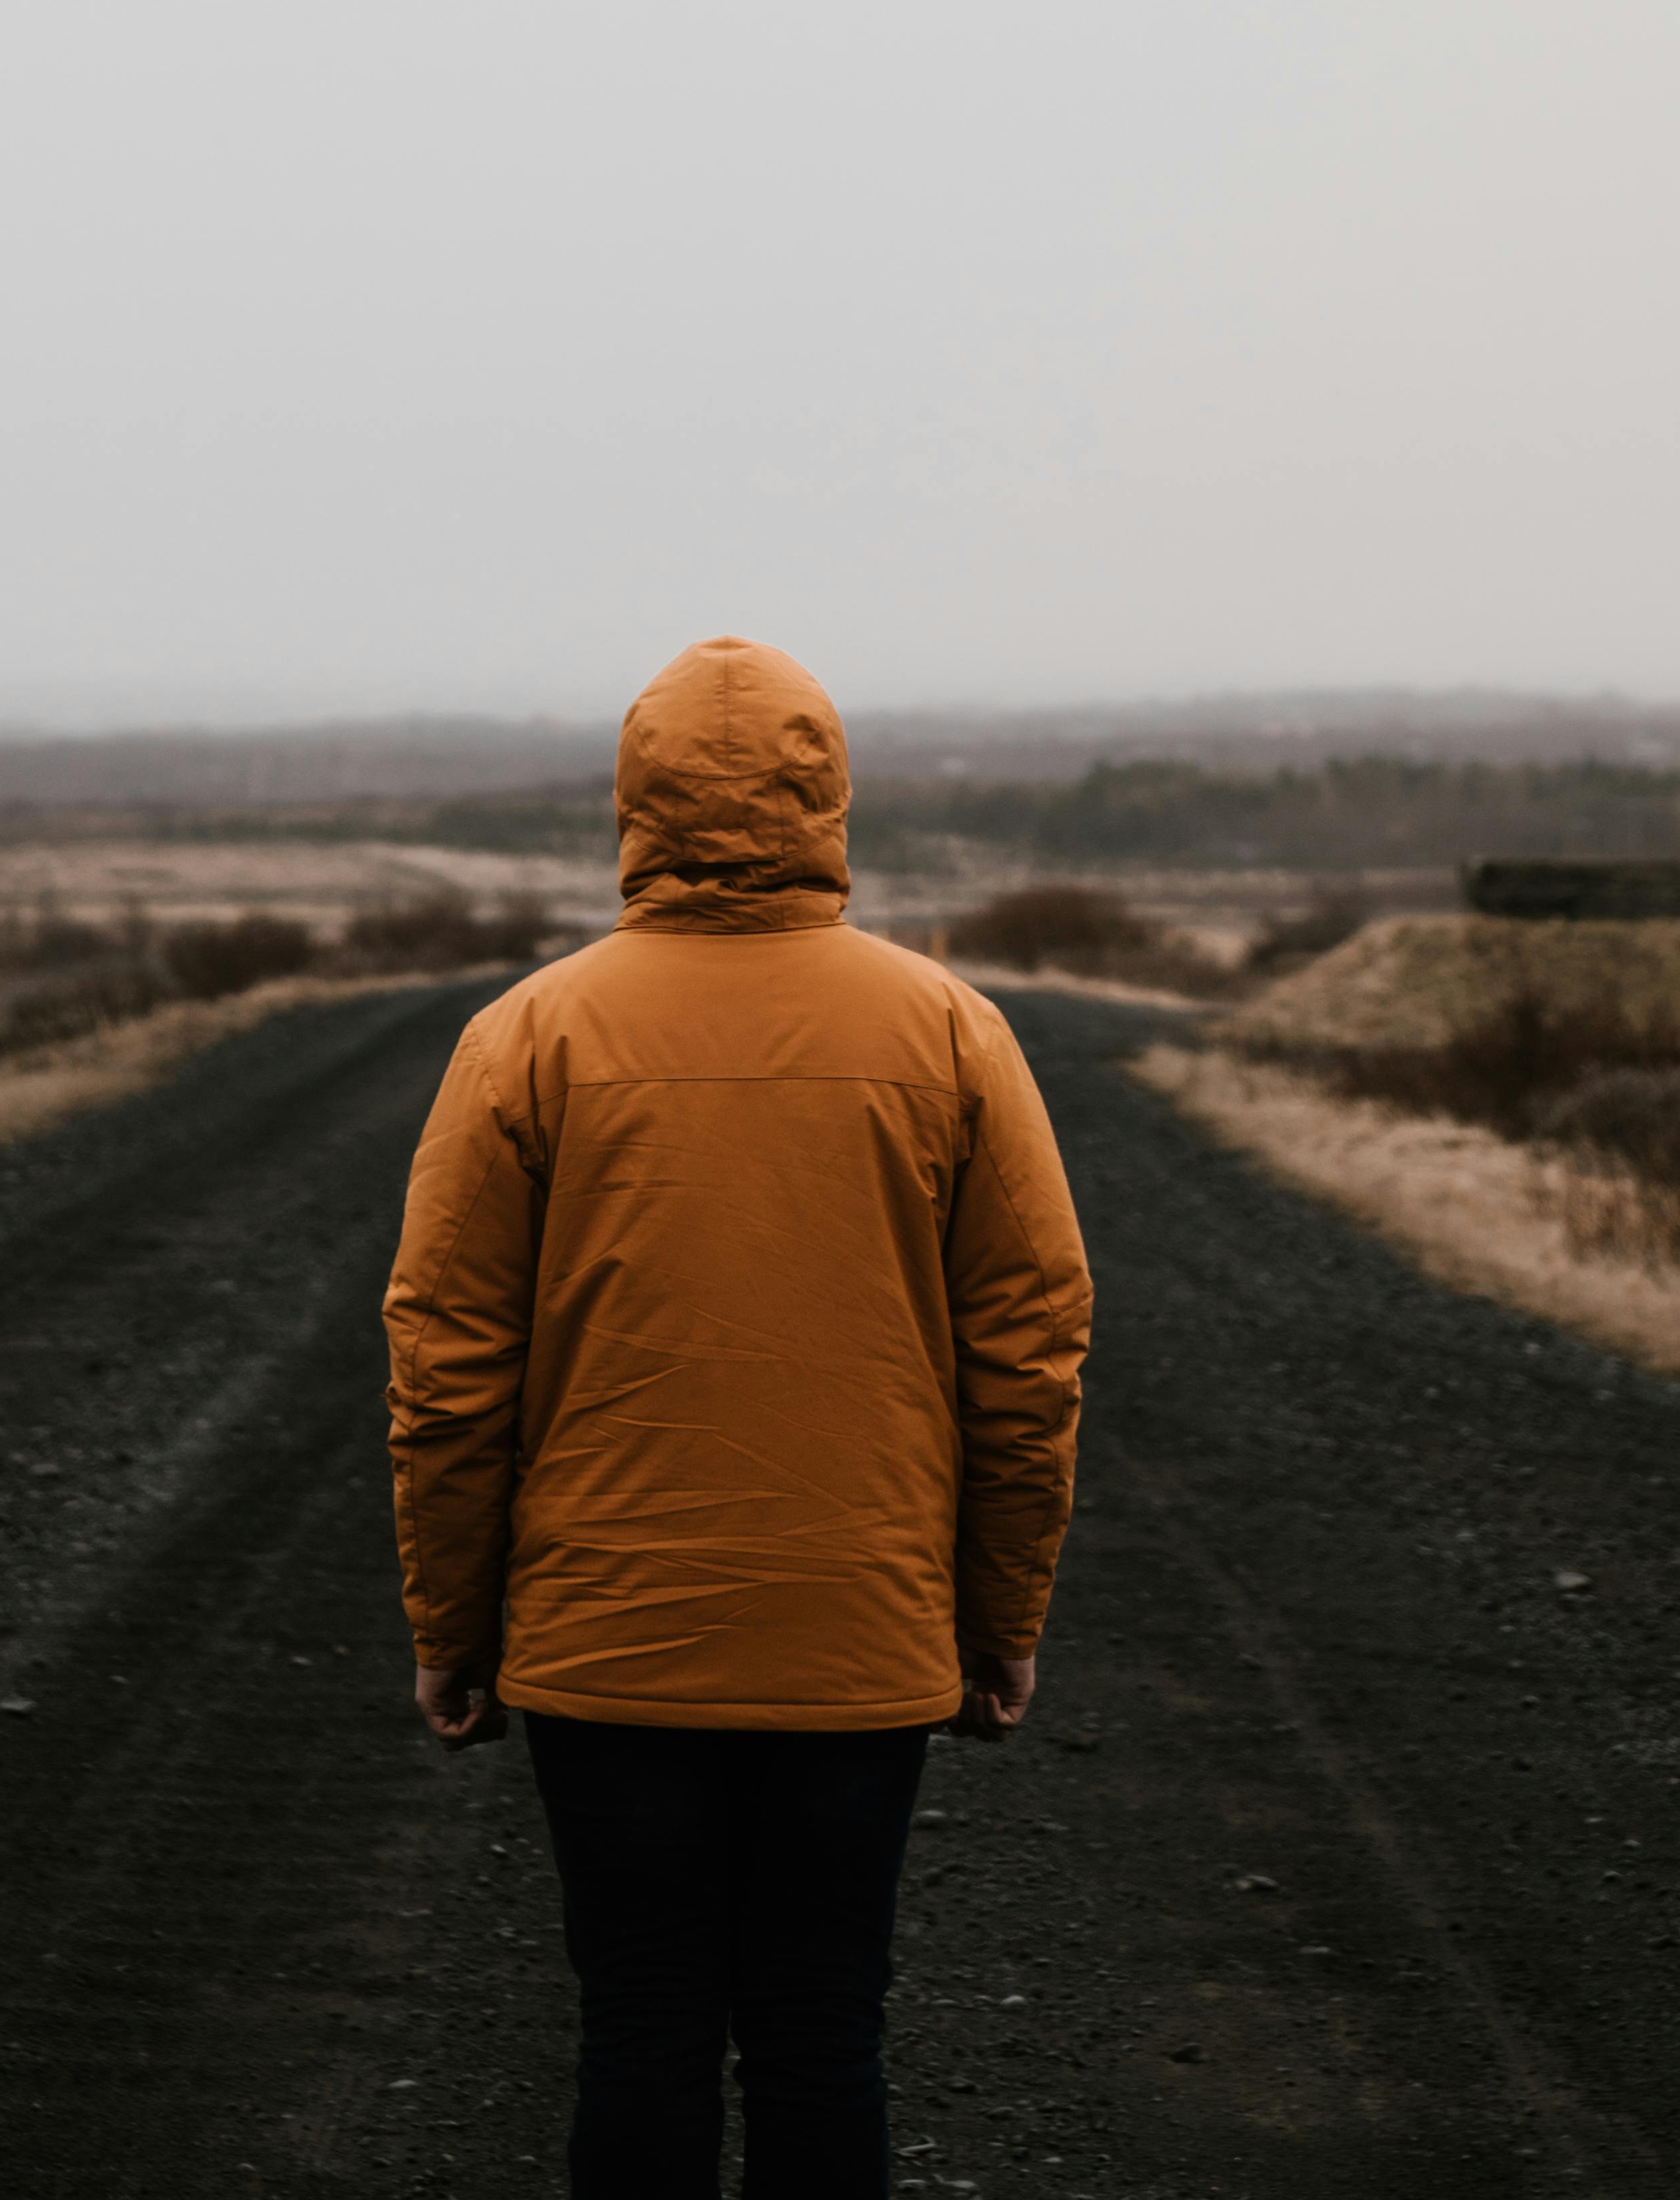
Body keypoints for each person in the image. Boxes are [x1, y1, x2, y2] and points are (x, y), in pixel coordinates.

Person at [383, 629, 1094, 2197]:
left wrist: (451, 1621)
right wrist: (1001, 1611)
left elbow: (446, 1362)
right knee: (822, 2028)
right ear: (825, 794)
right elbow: (1031, 1349)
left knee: (639, 2024)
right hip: (857, 1633)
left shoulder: (529, 1036)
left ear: (633, 802)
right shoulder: (952, 1032)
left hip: (605, 1638)